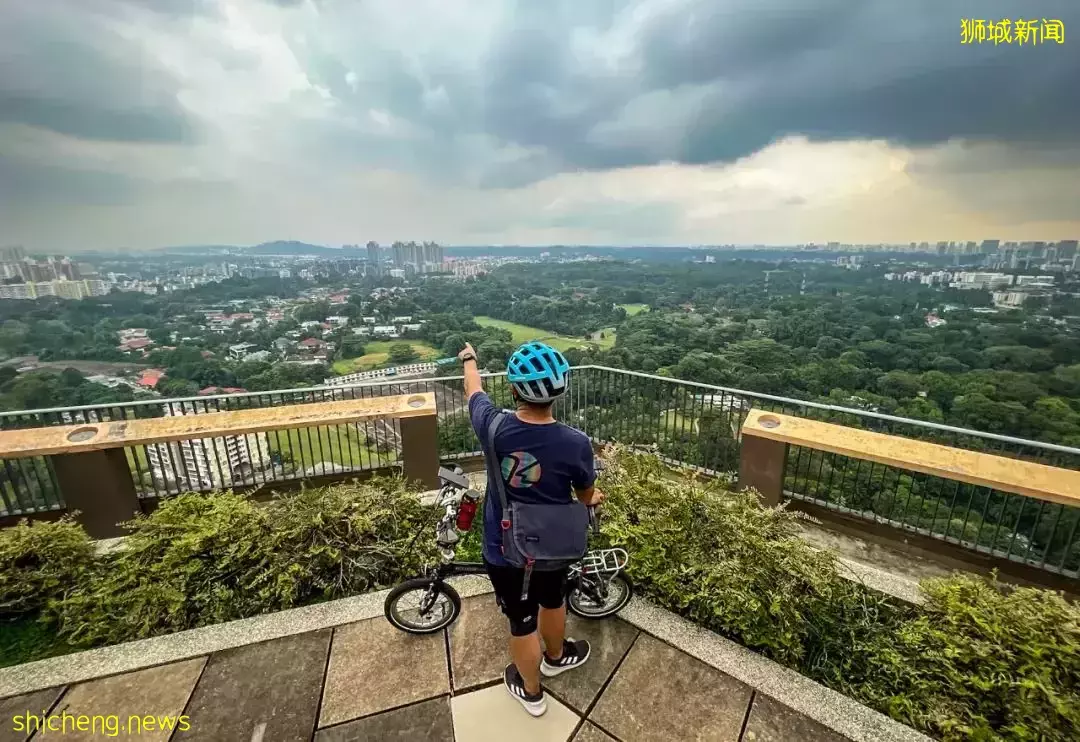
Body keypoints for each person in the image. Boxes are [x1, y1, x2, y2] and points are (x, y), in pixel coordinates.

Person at [460, 340, 605, 717]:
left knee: (520, 620)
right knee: (553, 600)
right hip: (554, 545)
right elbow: (586, 493)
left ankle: (531, 692)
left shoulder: (491, 426)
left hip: (504, 546)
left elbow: (473, 390)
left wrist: (470, 358)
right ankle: (556, 656)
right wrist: (594, 496)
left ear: (513, 389)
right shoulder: (576, 443)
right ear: (559, 391)